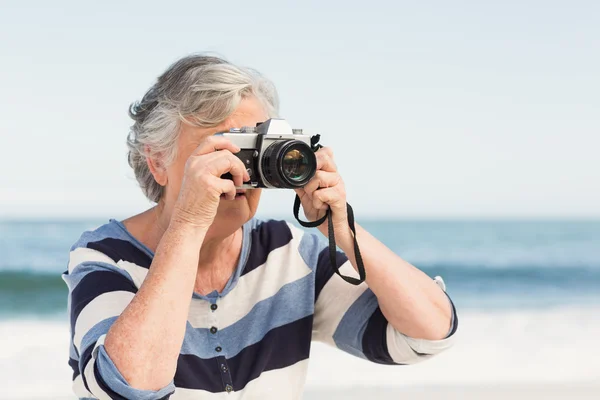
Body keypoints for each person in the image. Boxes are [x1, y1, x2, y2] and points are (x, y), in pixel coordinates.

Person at [63, 54, 457, 399]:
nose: (238, 174)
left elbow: (428, 334)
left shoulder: (287, 254)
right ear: (158, 162)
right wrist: (188, 225)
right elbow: (128, 388)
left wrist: (342, 228)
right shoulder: (106, 257)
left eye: (252, 151)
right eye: (219, 151)